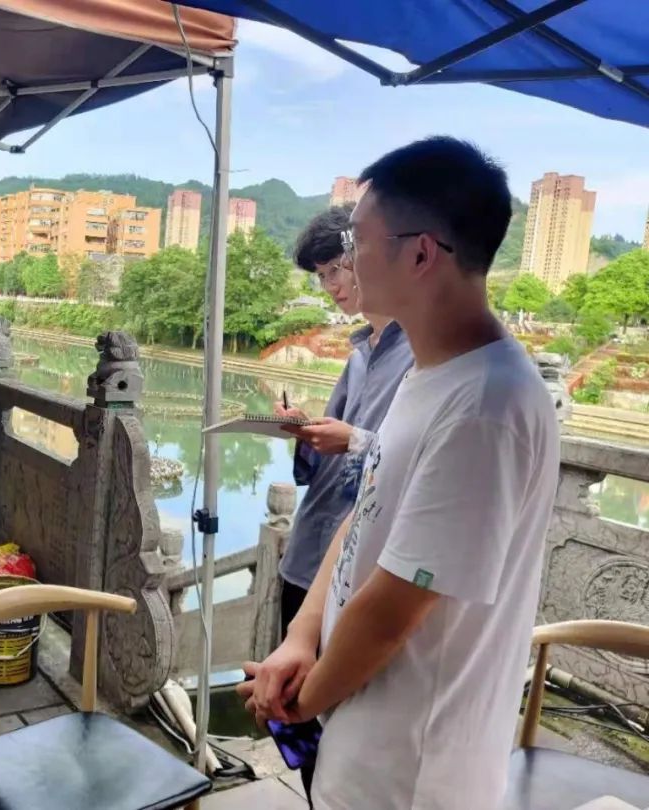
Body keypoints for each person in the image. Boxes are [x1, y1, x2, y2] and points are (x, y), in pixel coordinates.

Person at [240, 137, 560, 810]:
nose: (348, 262)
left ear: (419, 254)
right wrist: (301, 637)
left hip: (413, 772)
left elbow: (394, 609)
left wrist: (300, 699)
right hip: (367, 744)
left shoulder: (487, 406)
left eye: (358, 241)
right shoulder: (434, 373)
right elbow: (368, 510)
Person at [271, 205, 413, 802]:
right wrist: (303, 431)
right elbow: (326, 459)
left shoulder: (421, 355)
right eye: (321, 276)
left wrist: (351, 439)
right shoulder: (360, 354)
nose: (331, 286)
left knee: (343, 719)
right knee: (296, 711)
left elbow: (414, 464)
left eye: (337, 269)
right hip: (309, 551)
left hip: (360, 565)